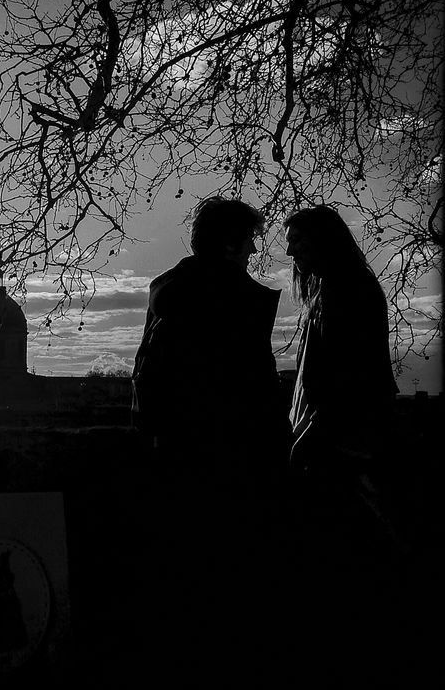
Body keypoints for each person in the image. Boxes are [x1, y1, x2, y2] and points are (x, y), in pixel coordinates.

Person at [283, 205, 401, 680]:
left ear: (321, 241)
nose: (289, 250)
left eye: (297, 240)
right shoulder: (335, 289)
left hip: (342, 443)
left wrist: (309, 437)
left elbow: (346, 380)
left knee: (344, 552)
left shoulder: (345, 292)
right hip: (339, 438)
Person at [132, 195, 287, 496]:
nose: (254, 250)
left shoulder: (166, 290)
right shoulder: (237, 299)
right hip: (231, 454)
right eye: (250, 240)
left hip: (170, 447)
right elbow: (254, 384)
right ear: (230, 244)